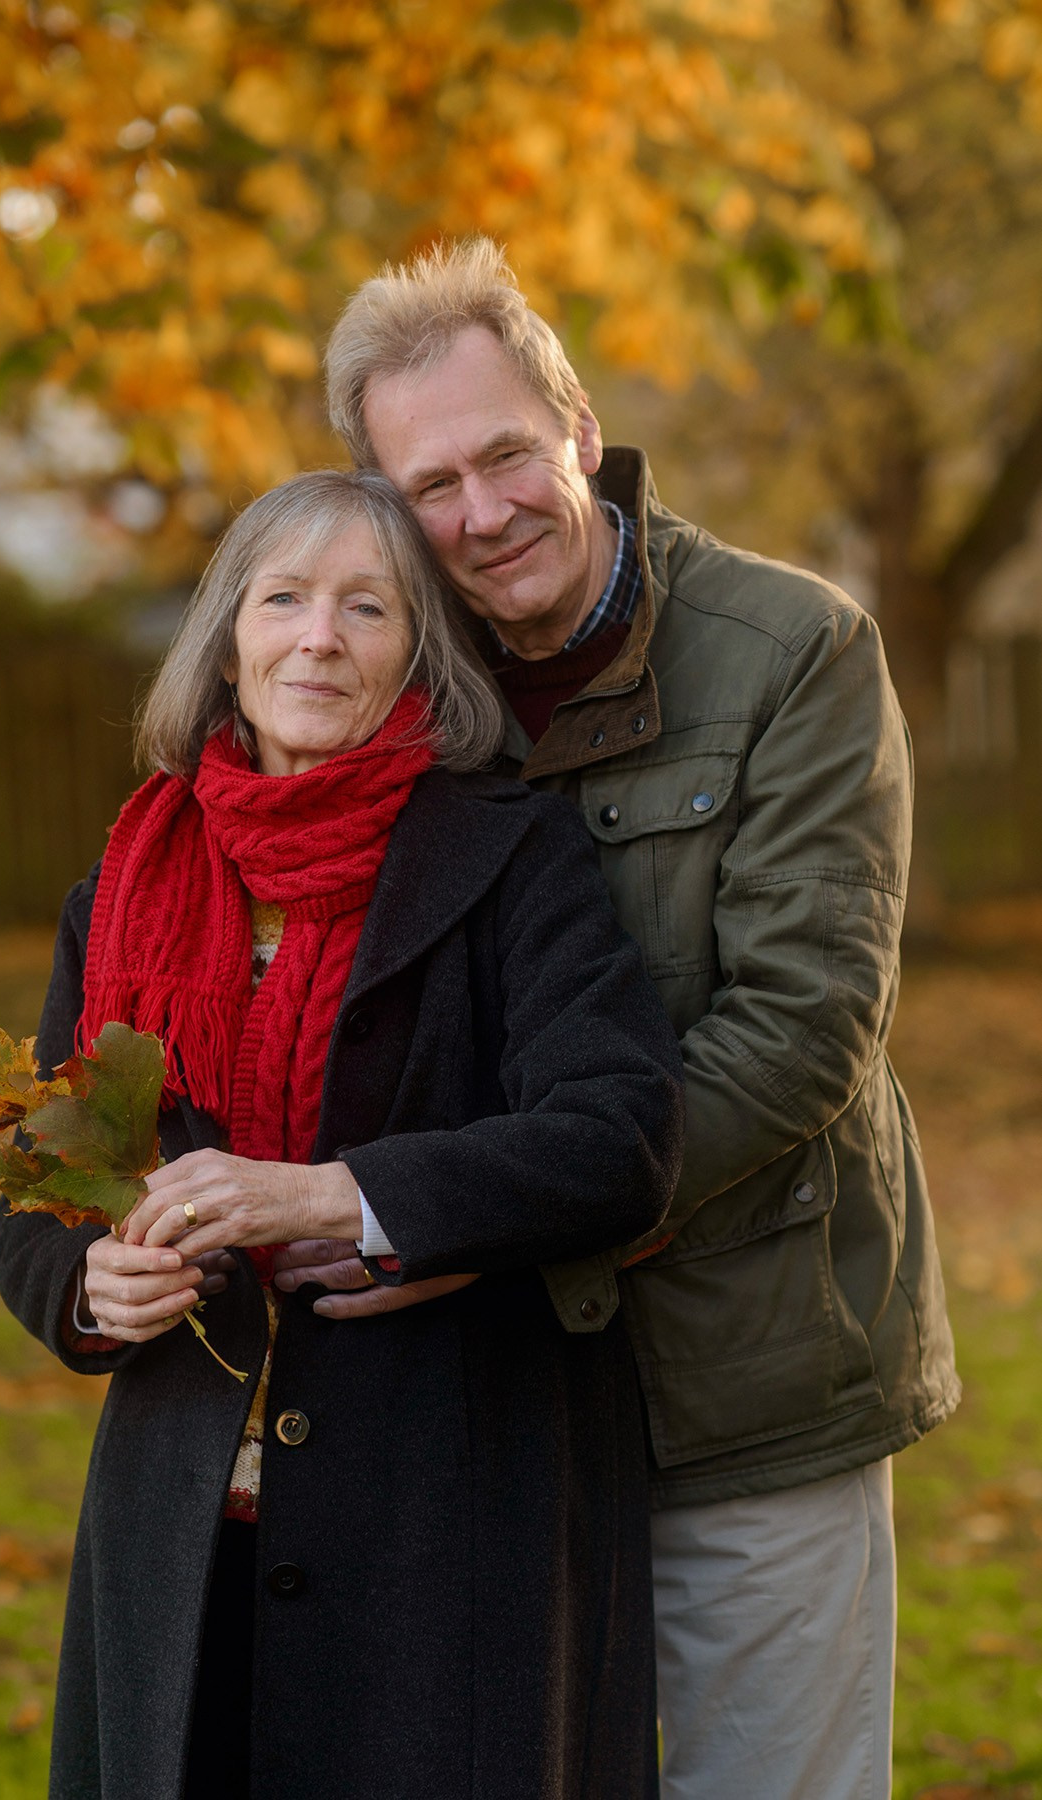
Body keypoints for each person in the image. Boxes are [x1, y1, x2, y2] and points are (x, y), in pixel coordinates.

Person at [271, 241, 962, 1800]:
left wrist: (493, 1218)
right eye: (431, 483)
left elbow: (802, 1025)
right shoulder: (395, 688)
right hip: (484, 1412)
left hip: (748, 1372)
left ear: (576, 426)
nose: (483, 511)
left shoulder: (793, 651)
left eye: (507, 452)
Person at [0, 468, 685, 1800]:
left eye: (368, 608)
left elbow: (618, 1131)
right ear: (229, 638)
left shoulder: (508, 855)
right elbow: (34, 1204)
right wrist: (87, 1280)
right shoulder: (127, 882)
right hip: (179, 1530)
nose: (319, 636)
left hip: (446, 1522)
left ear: (417, 652)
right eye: (286, 597)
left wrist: (329, 1197)